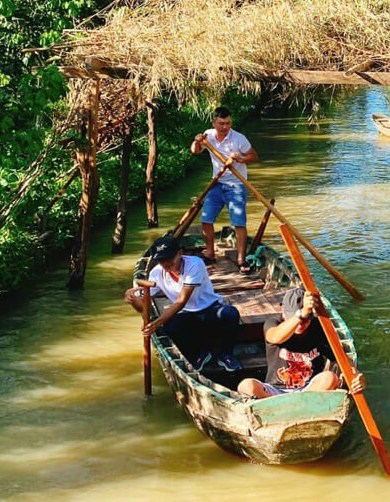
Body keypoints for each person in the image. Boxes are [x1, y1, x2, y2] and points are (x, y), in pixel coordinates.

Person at [125, 234, 242, 371]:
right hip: (187, 314)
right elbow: (143, 308)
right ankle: (199, 354)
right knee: (170, 326)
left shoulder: (195, 264)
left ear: (180, 253)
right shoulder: (156, 273)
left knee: (230, 314)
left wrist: (156, 323)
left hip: (210, 309)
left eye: (169, 259)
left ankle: (225, 354)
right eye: (161, 260)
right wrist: (133, 300)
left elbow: (181, 301)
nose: (166, 264)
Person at [237, 287, 364, 398]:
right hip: (275, 392)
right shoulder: (273, 323)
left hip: (310, 391)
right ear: (283, 313)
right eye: (296, 318)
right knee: (246, 386)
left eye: (306, 319)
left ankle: (301, 405)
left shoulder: (319, 328)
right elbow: (275, 337)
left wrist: (356, 376)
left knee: (330, 378)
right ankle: (274, 407)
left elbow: (341, 357)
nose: (301, 324)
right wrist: (301, 314)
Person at [191, 106, 259, 272]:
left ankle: (241, 260)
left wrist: (240, 159)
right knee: (206, 220)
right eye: (221, 123)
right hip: (217, 184)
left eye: (228, 123)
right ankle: (210, 253)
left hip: (236, 185)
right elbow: (195, 151)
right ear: (214, 122)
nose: (225, 127)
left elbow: (254, 156)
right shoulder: (208, 136)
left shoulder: (238, 138)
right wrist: (197, 142)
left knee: (239, 222)